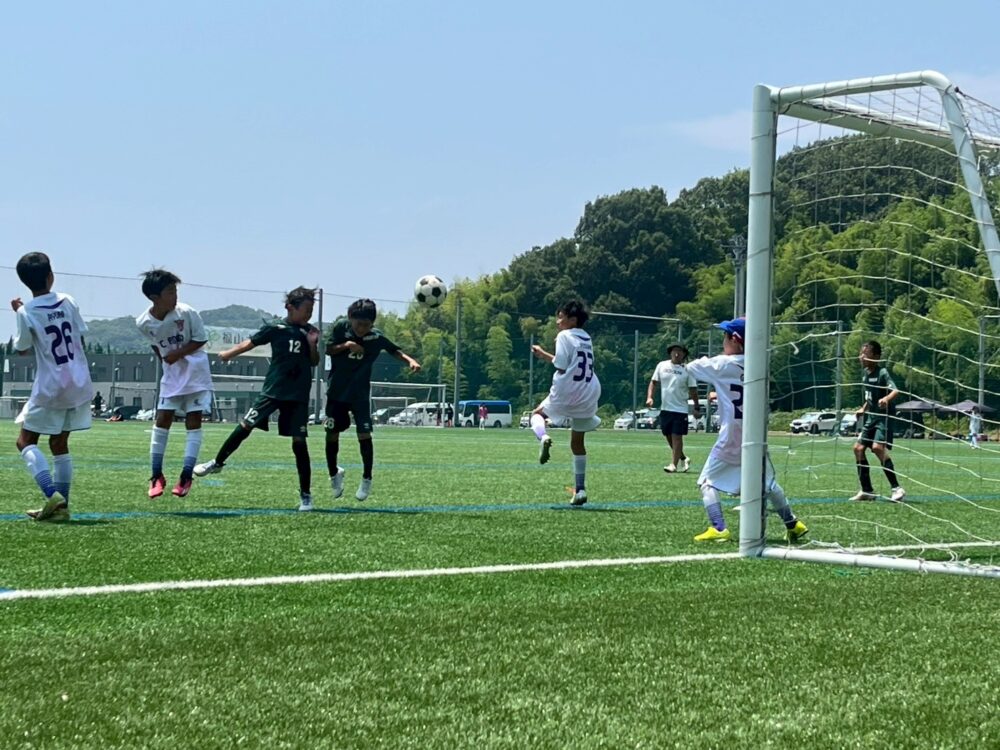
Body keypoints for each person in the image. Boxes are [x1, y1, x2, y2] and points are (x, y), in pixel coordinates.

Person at [193, 287, 320, 511]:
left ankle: (306, 495)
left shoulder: (310, 331)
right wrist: (228, 354)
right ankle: (217, 462)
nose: (309, 315)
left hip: (298, 394)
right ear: (290, 307)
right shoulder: (275, 328)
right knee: (246, 425)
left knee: (299, 443)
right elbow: (251, 342)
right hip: (273, 391)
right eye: (306, 310)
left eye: (312, 311)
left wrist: (312, 344)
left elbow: (314, 361)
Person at [686, 317, 808, 543]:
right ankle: (793, 523)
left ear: (735, 339)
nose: (723, 342)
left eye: (725, 337)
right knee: (768, 483)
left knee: (706, 481)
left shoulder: (722, 364)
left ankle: (718, 527)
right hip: (756, 432)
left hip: (732, 434)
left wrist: (717, 366)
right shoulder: (759, 364)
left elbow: (691, 367)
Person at [10, 252, 94, 522]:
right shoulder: (68, 300)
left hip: (51, 386)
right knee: (59, 443)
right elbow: (79, 332)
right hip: (79, 382)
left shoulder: (27, 311)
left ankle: (52, 495)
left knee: (25, 441)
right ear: (51, 276)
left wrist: (19, 313)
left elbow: (23, 349)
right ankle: (62, 507)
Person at [324, 298, 421, 501]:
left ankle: (367, 478)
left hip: (359, 394)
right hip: (337, 392)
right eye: (358, 324)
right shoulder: (341, 327)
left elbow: (393, 350)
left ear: (372, 324)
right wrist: (347, 345)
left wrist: (410, 360)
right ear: (350, 318)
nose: (362, 329)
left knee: (364, 434)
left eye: (366, 325)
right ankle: (334, 473)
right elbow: (328, 349)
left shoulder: (375, 337)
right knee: (332, 434)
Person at [136, 269, 214, 499]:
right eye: (170, 291)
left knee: (193, 421)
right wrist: (165, 360)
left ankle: (186, 475)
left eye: (175, 290)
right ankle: (156, 475)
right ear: (154, 297)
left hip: (195, 373)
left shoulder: (187, 312)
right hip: (172, 376)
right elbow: (154, 344)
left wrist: (178, 354)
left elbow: (200, 339)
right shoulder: (143, 322)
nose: (175, 295)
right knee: (162, 419)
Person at [529, 300, 601, 506]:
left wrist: (543, 354)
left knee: (537, 415)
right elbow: (572, 363)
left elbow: (561, 366)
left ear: (573, 320)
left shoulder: (564, 336)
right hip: (589, 391)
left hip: (568, 389)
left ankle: (543, 437)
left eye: (561, 317)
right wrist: (547, 354)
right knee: (577, 442)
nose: (557, 321)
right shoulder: (586, 337)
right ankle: (580, 490)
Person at [851, 340, 906, 503]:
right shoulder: (865, 374)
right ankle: (867, 490)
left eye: (865, 354)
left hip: (884, 417)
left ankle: (897, 488)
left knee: (877, 448)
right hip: (871, 417)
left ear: (876, 356)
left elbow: (895, 390)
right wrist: (863, 408)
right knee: (858, 449)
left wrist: (886, 399)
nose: (861, 357)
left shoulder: (882, 373)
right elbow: (870, 398)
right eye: (861, 354)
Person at [646, 343, 700, 473]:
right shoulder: (662, 365)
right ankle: (683, 458)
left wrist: (696, 406)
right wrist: (650, 397)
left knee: (677, 436)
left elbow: (693, 390)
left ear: (684, 354)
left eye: (680, 351)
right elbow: (653, 382)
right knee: (668, 435)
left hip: (680, 409)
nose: (676, 353)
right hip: (665, 408)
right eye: (674, 351)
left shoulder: (688, 370)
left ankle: (673, 465)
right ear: (670, 353)